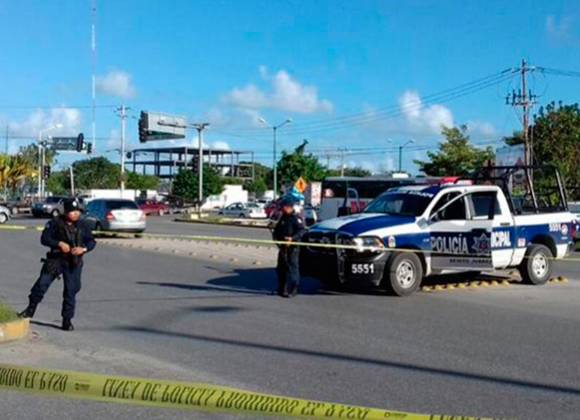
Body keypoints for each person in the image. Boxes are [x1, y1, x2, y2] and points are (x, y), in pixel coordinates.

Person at [18, 198, 96, 331]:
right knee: (41, 285)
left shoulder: (83, 225)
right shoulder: (55, 223)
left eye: (78, 211)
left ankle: (67, 320)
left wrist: (83, 249)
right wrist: (58, 244)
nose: (76, 213)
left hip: (73, 261)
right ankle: (30, 310)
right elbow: (45, 238)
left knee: (71, 291)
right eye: (72, 211)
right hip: (56, 259)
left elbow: (91, 242)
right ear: (66, 212)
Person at [272, 196, 305, 298]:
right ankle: (282, 288)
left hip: (293, 248)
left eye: (284, 207)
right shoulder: (283, 217)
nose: (282, 209)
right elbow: (277, 230)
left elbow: (301, 231)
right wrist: (276, 237)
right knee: (281, 268)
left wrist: (292, 239)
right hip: (283, 247)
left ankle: (293, 288)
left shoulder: (296, 218)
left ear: (289, 207)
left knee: (292, 268)